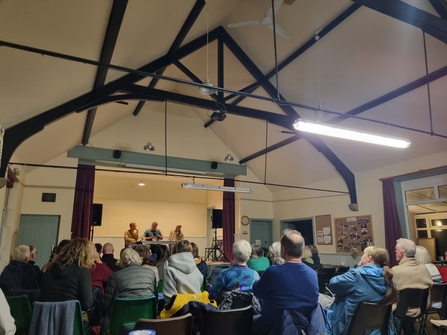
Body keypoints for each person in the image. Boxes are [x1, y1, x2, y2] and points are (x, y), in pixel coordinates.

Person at [252, 230, 319, 335]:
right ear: (302, 250)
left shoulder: (272, 272)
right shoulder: (313, 274)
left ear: (283, 250)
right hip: (303, 328)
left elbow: (257, 292)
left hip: (271, 328)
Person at [326, 246, 398, 335]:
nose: (361, 257)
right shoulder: (390, 280)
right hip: (376, 330)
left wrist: (358, 268)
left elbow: (333, 284)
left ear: (369, 258)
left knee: (321, 301)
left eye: (363, 255)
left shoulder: (357, 275)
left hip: (349, 327)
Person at [101, 248, 156, 332]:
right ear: (138, 259)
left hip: (119, 326)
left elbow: (105, 305)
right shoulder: (150, 274)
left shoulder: (115, 276)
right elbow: (155, 299)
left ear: (122, 261)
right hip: (146, 323)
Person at [39, 238, 94, 312]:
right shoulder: (83, 272)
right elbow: (87, 304)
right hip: (71, 318)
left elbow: (41, 297)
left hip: (48, 317)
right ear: (87, 255)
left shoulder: (50, 269)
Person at [392, 238, 433, 334]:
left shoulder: (395, 271)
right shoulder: (424, 269)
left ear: (400, 254)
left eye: (396, 250)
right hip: (421, 310)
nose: (395, 252)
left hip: (400, 313)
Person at [163, 240, 203, 306]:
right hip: (198, 310)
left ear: (174, 251)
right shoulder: (196, 270)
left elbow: (169, 299)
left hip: (178, 313)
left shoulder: (169, 270)